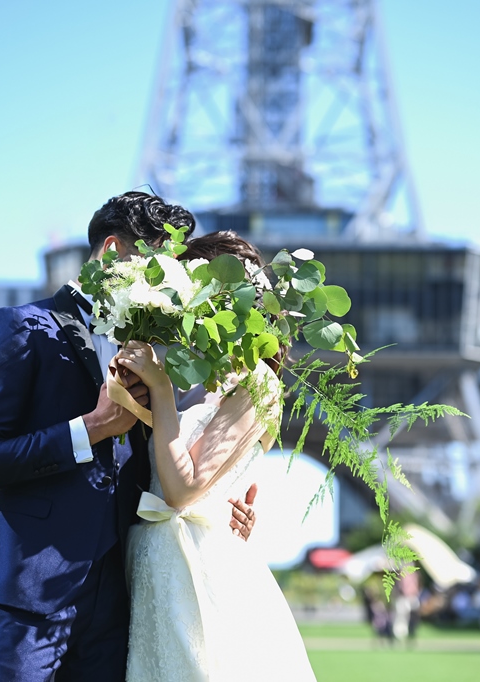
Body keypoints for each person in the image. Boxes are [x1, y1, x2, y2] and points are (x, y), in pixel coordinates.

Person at [0, 192, 258, 681]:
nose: (171, 284)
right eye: (158, 264)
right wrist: (92, 428)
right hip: (25, 590)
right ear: (113, 251)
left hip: (120, 595)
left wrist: (215, 503)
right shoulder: (20, 328)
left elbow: (168, 462)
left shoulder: (156, 351)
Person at [118, 230, 316, 680]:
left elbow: (183, 488)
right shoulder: (187, 376)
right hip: (156, 557)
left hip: (197, 563)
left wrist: (161, 390)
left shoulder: (257, 382)